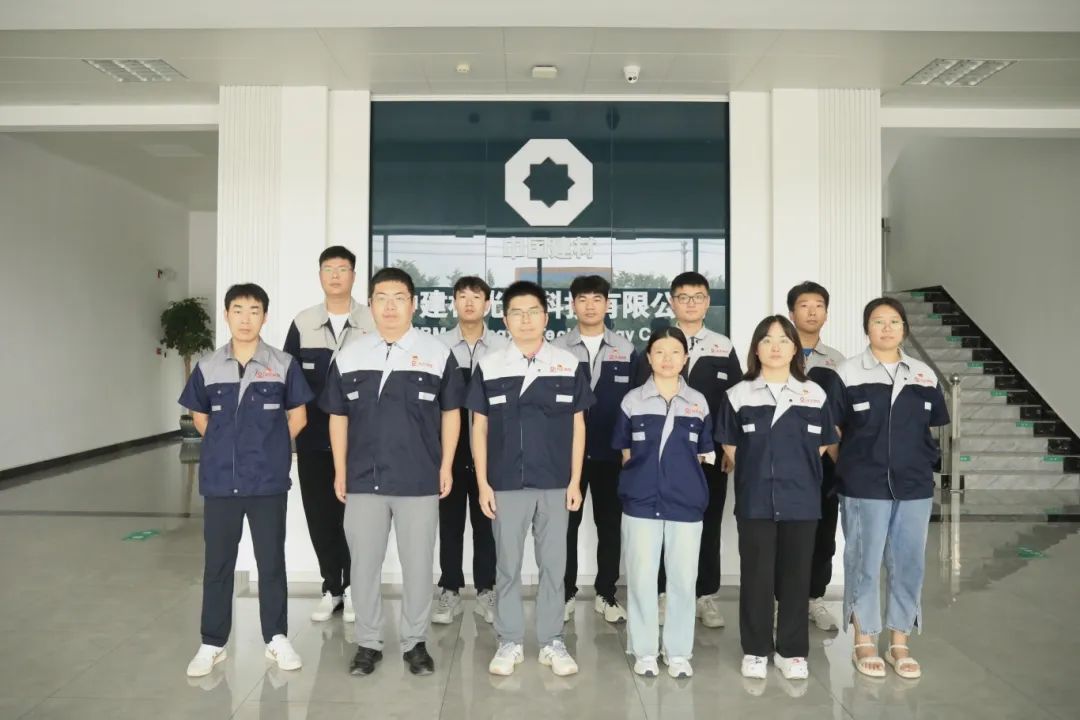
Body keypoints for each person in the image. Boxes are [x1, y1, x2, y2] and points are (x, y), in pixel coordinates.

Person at [321, 267, 464, 677]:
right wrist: (340, 470)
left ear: (413, 304)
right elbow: (338, 417)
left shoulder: (437, 353)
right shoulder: (349, 355)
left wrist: (446, 465)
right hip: (363, 479)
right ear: (370, 304)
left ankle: (415, 643)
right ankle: (368, 643)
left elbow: (451, 413)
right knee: (363, 565)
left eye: (399, 298)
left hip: (419, 479)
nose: (390, 306)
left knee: (418, 566)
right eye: (381, 298)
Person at [181, 283, 313, 678]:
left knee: (270, 562)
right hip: (221, 482)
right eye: (237, 310)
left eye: (254, 310)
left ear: (264, 317)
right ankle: (212, 642)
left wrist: (268, 448)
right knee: (218, 564)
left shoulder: (283, 364)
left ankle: (276, 637)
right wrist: (229, 446)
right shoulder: (208, 366)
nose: (245, 318)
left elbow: (299, 417)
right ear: (226, 315)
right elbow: (200, 417)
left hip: (267, 483)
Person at [467, 281, 594, 677]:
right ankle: (509, 641)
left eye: (533, 311)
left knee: (554, 566)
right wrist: (483, 484)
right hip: (505, 483)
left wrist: (575, 481)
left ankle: (552, 641)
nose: (525, 319)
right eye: (517, 313)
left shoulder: (567, 364)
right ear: (505, 320)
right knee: (507, 566)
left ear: (546, 317)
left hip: (555, 483)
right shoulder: (490, 365)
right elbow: (479, 428)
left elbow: (578, 426)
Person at [717, 315, 837, 681]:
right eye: (767, 340)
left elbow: (821, 444)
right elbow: (731, 445)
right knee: (756, 576)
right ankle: (755, 649)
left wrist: (792, 470)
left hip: (802, 500)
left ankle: (792, 651)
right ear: (756, 348)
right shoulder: (738, 394)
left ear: (794, 348)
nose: (775, 347)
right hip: (755, 499)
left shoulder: (814, 393)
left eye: (784, 340)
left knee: (796, 577)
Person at [837, 297, 949, 680]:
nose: (886, 328)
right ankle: (864, 639)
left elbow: (930, 427)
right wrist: (851, 465)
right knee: (864, 561)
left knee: (908, 563)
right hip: (863, 484)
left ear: (904, 328)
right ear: (866, 328)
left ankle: (900, 640)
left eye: (894, 321)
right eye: (878, 321)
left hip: (914, 484)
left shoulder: (924, 375)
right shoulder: (848, 372)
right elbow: (834, 429)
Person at [636, 271, 741, 628]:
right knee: (663, 524)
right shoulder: (658, 342)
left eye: (698, 297)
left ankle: (705, 595)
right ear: (672, 302)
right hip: (663, 455)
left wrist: (728, 448)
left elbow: (733, 402)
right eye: (683, 297)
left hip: (710, 456)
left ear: (708, 302)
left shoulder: (723, 347)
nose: (691, 303)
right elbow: (639, 398)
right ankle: (664, 593)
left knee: (707, 523)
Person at [613, 327, 712, 679]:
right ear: (649, 357)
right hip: (640, 503)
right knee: (641, 580)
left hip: (685, 505)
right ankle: (644, 650)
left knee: (683, 581)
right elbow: (626, 453)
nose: (667, 359)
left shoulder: (699, 402)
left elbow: (702, 454)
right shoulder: (632, 401)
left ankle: (679, 652)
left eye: (675, 352)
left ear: (685, 358)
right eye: (659, 351)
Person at [283, 246, 374, 624]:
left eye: (342, 269)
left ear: (354, 275)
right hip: (315, 440)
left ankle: (354, 587)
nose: (335, 275)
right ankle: (331, 587)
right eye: (328, 269)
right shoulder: (303, 323)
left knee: (357, 517)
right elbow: (289, 382)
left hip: (362, 440)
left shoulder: (372, 321)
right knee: (320, 514)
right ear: (320, 275)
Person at [554, 274, 637, 624]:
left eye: (597, 299)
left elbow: (636, 403)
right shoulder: (556, 349)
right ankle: (565, 592)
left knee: (610, 525)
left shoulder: (626, 349)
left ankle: (606, 593)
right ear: (572, 304)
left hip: (612, 454)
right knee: (565, 527)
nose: (590, 305)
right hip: (566, 455)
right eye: (583, 299)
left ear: (607, 304)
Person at [432, 276, 508, 625]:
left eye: (476, 297)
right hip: (449, 448)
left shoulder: (503, 348)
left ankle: (486, 590)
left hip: (490, 449)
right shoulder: (438, 347)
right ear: (454, 303)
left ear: (487, 304)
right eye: (462, 296)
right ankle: (449, 589)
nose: (469, 302)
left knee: (486, 523)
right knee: (449, 523)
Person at [786, 281, 845, 631]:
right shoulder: (776, 352)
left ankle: (814, 598)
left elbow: (843, 417)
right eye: (804, 305)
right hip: (783, 459)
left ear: (826, 312)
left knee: (823, 533)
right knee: (783, 533)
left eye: (819, 305)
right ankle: (782, 600)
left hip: (825, 462)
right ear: (791, 312)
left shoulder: (838, 362)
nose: (812, 311)